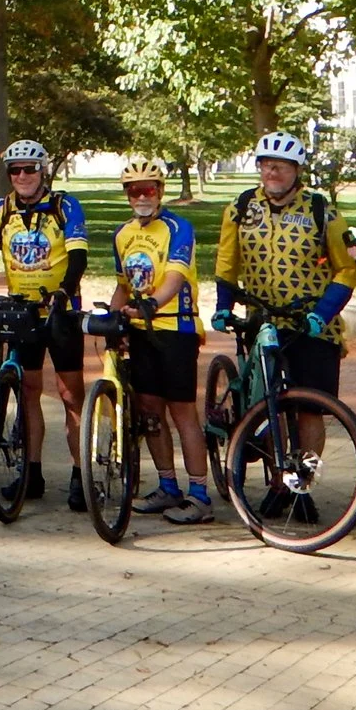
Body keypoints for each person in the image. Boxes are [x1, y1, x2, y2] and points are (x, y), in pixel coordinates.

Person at [210, 132, 356, 522]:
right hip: (263, 321)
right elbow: (226, 264)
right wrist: (224, 306)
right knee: (269, 407)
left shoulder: (321, 210)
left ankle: (300, 487)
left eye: (280, 165)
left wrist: (322, 313)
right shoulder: (241, 208)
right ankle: (278, 481)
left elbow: (346, 269)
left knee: (309, 410)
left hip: (311, 323)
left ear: (297, 170)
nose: (271, 171)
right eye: (265, 164)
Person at [0, 139, 90, 510]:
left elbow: (78, 255)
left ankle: (81, 477)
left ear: (43, 170)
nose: (23, 176)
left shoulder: (64, 206)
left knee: (70, 396)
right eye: (15, 170)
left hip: (60, 313)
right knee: (28, 393)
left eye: (29, 168)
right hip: (23, 314)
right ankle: (32, 473)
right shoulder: (1, 210)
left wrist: (64, 290)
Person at [107, 160, 212, 524]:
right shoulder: (122, 234)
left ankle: (199, 494)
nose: (141, 196)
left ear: (160, 191)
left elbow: (175, 278)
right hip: (141, 332)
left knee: (183, 412)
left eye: (148, 189)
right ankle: (168, 486)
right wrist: (112, 318)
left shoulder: (178, 228)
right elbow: (124, 284)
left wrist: (152, 303)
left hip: (176, 329)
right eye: (133, 190)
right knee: (150, 411)